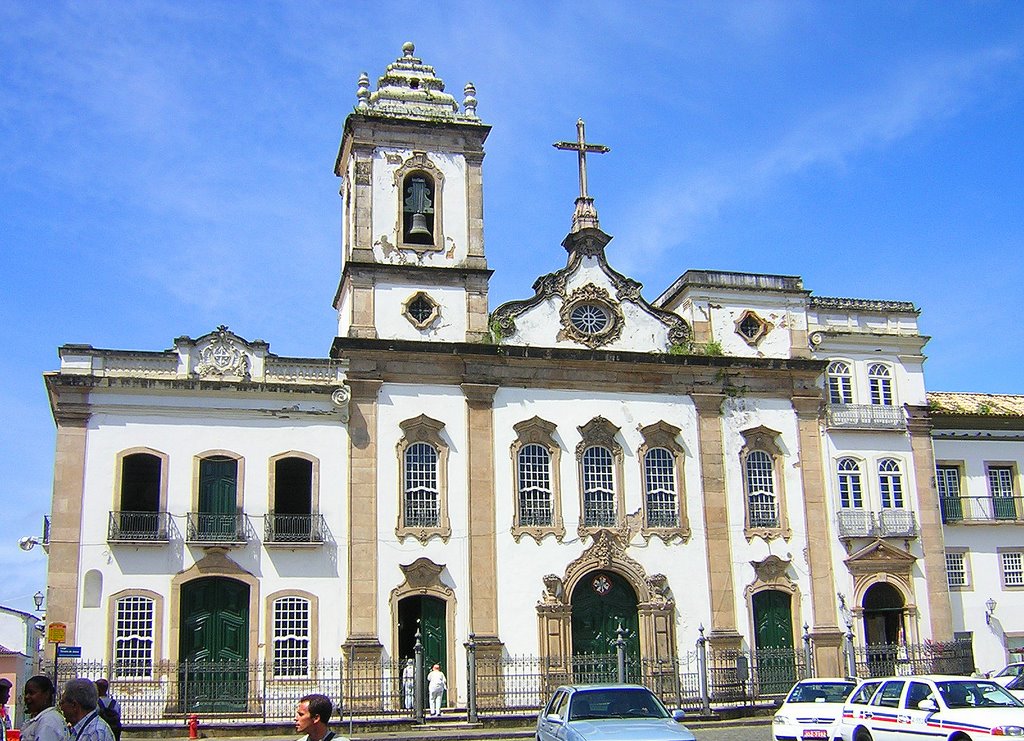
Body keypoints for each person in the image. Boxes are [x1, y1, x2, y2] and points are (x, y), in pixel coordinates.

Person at [20, 676, 68, 741]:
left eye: (31, 693)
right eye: (26, 693)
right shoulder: (45, 718)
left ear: (46, 694)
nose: (26, 697)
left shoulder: (48, 721)